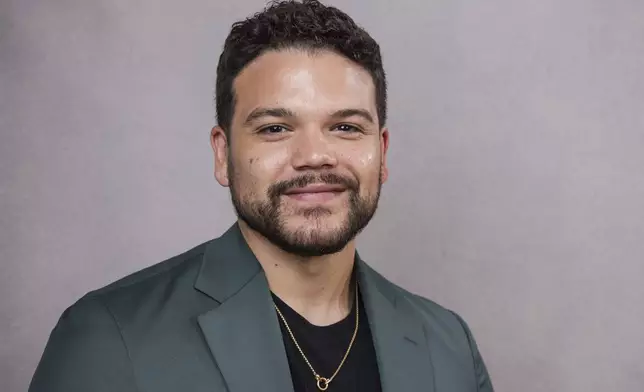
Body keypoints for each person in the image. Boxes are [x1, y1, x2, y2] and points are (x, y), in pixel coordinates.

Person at [29, 1, 494, 391]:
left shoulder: (448, 346)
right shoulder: (108, 338)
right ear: (222, 153)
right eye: (275, 128)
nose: (314, 155)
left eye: (345, 127)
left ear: (382, 152)